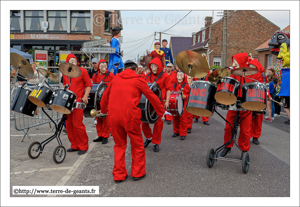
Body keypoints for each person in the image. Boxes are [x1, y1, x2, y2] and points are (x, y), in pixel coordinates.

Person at [100, 60, 165, 183]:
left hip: (114, 116)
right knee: (137, 144)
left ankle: (119, 175)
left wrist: (103, 111)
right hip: (130, 116)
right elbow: (152, 97)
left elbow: (104, 96)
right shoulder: (138, 80)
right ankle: (137, 172)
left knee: (119, 145)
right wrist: (161, 112)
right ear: (136, 70)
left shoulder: (115, 78)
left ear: (125, 69)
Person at [219, 52, 252, 159]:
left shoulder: (251, 74)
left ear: (242, 62)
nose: (233, 63)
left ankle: (244, 150)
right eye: (233, 61)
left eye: (235, 61)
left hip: (246, 105)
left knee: (245, 130)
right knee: (228, 127)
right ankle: (227, 146)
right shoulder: (231, 73)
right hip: (233, 104)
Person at [62, 54, 93, 155]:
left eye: (74, 61)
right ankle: (74, 145)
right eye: (71, 61)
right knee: (69, 125)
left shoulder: (82, 71)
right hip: (68, 102)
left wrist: (85, 96)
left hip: (78, 101)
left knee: (77, 124)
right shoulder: (65, 73)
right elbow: (65, 85)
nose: (73, 63)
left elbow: (89, 85)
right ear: (67, 62)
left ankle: (83, 145)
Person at [142, 57, 172, 152]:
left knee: (159, 124)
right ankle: (149, 138)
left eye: (155, 65)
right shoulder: (147, 76)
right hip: (148, 103)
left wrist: (167, 101)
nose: (153, 67)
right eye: (152, 65)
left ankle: (156, 142)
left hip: (160, 103)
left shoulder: (165, 76)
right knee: (144, 121)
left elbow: (168, 89)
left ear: (159, 66)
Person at [92, 59, 114, 144]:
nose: (103, 68)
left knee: (106, 118)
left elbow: (114, 86)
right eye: (101, 66)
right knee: (98, 117)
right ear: (98, 67)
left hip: (107, 100)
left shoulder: (111, 75)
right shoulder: (95, 75)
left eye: (104, 66)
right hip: (98, 100)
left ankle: (105, 136)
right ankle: (100, 135)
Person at [247, 59, 265, 145]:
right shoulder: (246, 73)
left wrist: (267, 96)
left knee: (258, 118)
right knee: (248, 117)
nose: (251, 67)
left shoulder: (259, 74)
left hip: (258, 97)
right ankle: (247, 135)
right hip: (248, 97)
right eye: (250, 66)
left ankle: (256, 137)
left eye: (253, 66)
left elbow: (262, 86)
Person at [171, 71, 190, 140]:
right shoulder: (174, 84)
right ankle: (176, 131)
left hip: (183, 104)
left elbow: (189, 94)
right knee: (175, 118)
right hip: (176, 104)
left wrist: (186, 96)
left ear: (183, 77)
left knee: (183, 119)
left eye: (181, 75)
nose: (179, 77)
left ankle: (183, 133)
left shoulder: (186, 85)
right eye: (178, 75)